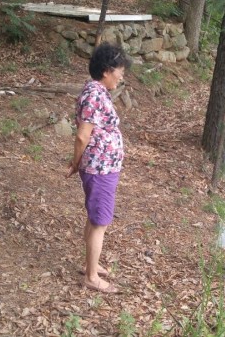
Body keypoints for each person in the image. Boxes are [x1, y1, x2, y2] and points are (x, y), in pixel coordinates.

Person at [66, 42, 130, 294]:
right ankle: (91, 277)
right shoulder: (94, 94)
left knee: (95, 218)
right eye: (119, 71)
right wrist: (75, 163)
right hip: (99, 168)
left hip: (103, 166)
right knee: (100, 221)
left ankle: (89, 265)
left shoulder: (96, 91)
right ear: (106, 70)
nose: (121, 76)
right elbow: (82, 135)